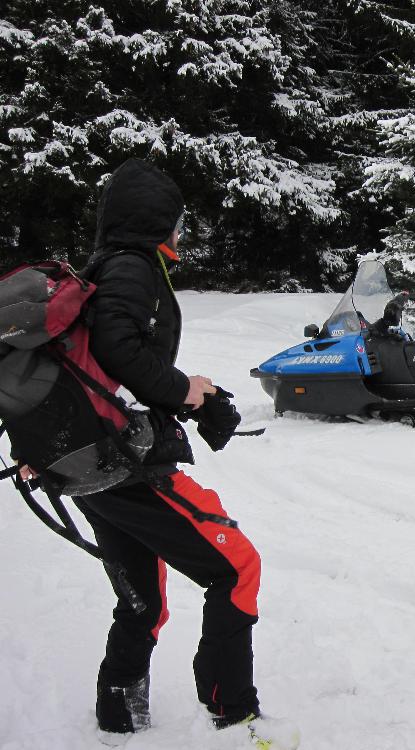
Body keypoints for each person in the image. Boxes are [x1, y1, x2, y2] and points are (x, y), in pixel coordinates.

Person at [22, 158, 266, 739]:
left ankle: (119, 715)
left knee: (142, 600)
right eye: (177, 220)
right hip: (128, 464)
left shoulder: (104, 268)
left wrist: (191, 396)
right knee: (237, 567)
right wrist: (184, 390)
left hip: (91, 464)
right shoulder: (133, 267)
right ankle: (234, 714)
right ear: (156, 219)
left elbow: (105, 370)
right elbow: (119, 350)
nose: (181, 231)